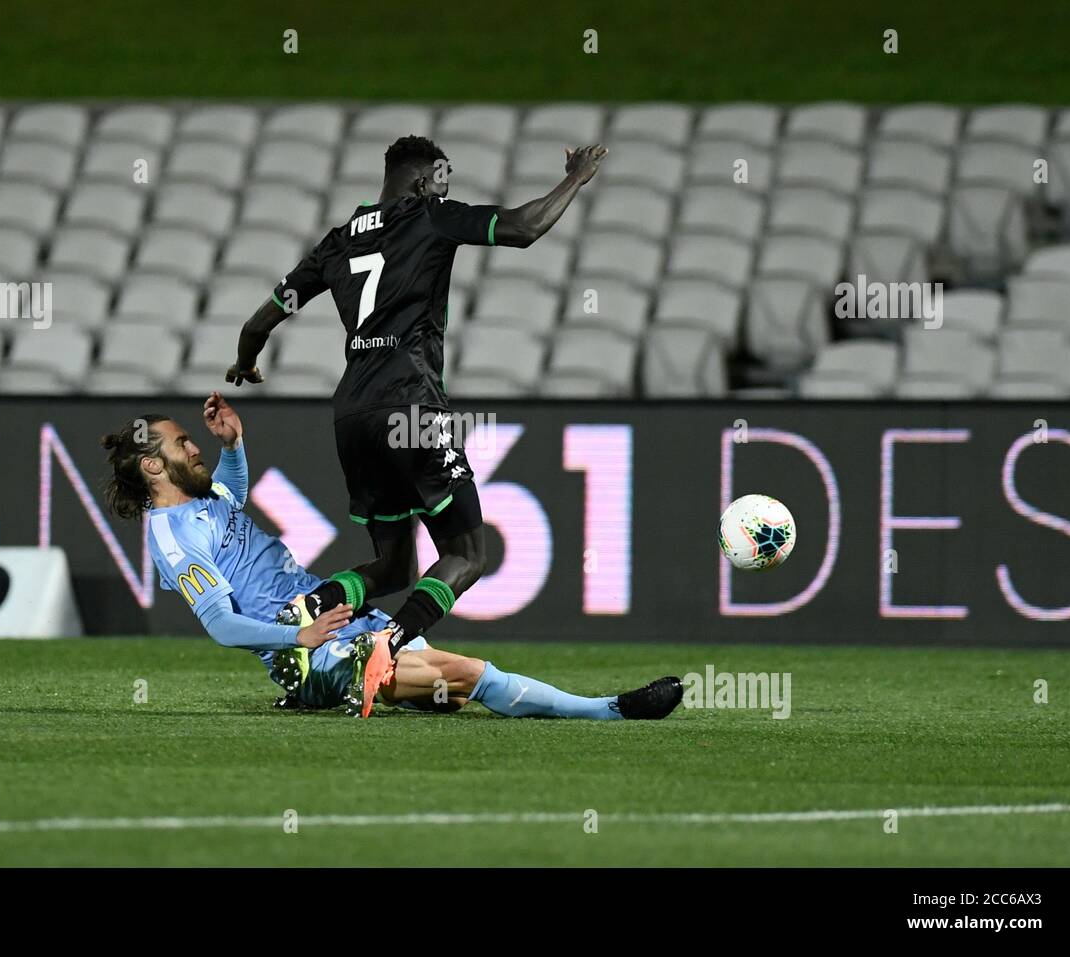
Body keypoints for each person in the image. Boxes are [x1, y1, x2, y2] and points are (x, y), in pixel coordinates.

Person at [225, 136, 608, 661]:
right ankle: (390, 645)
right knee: (468, 555)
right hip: (411, 411)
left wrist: (245, 363)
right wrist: (576, 179)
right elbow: (524, 228)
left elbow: (257, 322)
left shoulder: (336, 243)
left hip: (352, 418)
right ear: (425, 177)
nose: (448, 185)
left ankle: (308, 611)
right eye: (444, 175)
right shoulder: (430, 215)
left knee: (391, 568)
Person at [99, 392, 683, 720]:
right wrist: (297, 642)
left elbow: (232, 494)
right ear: (154, 466)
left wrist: (234, 446)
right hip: (311, 650)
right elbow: (224, 626)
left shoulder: (201, 502)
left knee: (440, 688)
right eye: (183, 445)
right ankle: (611, 709)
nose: (193, 447)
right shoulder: (172, 540)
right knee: (469, 677)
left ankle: (398, 689)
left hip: (335, 622)